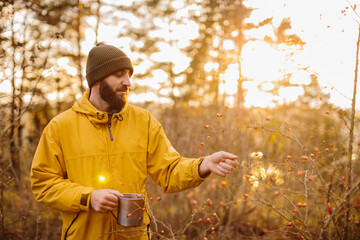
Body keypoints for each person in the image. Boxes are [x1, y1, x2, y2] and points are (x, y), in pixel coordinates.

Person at [30, 43, 238, 240]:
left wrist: (203, 165)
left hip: (134, 235)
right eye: (119, 75)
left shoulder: (144, 121)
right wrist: (87, 197)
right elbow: (44, 183)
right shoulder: (60, 127)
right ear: (97, 79)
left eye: (129, 75)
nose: (128, 82)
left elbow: (169, 170)